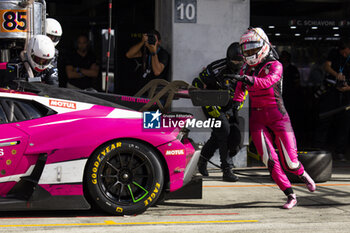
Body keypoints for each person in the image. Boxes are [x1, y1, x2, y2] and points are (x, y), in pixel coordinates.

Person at [232, 27, 316, 209]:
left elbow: (267, 82)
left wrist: (248, 80)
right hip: (257, 118)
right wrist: (234, 105)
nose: (250, 53)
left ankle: (302, 174)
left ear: (264, 45)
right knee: (269, 160)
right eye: (246, 49)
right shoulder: (246, 68)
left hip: (279, 117)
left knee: (291, 162)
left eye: (253, 48)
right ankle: (290, 194)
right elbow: (240, 92)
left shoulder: (275, 65)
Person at [193, 42, 244, 182]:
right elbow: (196, 83)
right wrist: (209, 104)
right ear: (228, 58)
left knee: (234, 136)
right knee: (224, 130)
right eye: (234, 61)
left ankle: (202, 160)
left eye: (240, 61)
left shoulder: (246, 70)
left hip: (231, 105)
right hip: (212, 105)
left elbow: (245, 89)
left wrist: (238, 105)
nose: (237, 64)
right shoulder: (217, 67)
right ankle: (226, 170)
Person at [313, 38, 350, 162]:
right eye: (343, 52)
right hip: (331, 90)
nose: (345, 55)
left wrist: (347, 87)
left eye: (346, 52)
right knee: (325, 118)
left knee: (344, 123)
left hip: (346, 94)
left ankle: (340, 151)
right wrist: (337, 75)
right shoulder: (334, 53)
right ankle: (319, 147)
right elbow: (326, 66)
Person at [125, 29, 170, 94]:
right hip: (143, 91)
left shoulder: (163, 54)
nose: (151, 41)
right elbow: (129, 55)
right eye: (149, 39)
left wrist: (153, 53)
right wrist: (142, 42)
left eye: (154, 39)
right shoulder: (146, 51)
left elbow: (157, 71)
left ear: (159, 42)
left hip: (157, 94)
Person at [41, 17, 63, 86]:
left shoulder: (54, 54)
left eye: (54, 37)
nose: (50, 40)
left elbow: (53, 82)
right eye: (48, 36)